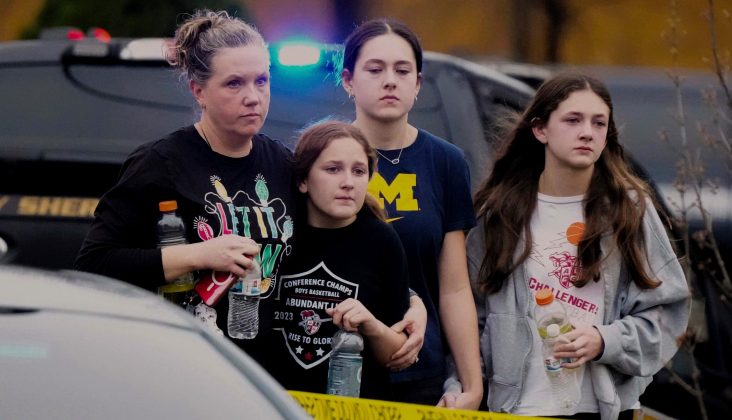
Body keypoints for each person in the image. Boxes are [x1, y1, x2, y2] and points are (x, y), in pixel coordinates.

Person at [74, 10, 296, 363]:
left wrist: (406, 297)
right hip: (180, 363)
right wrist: (198, 255)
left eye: (262, 81)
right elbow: (95, 265)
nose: (253, 97)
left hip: (261, 374)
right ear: (199, 91)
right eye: (234, 83)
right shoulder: (159, 163)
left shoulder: (283, 164)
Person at [465, 73, 690, 419]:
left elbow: (667, 313)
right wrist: (465, 385)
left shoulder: (629, 210)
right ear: (540, 129)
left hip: (603, 408)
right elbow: (468, 317)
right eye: (572, 120)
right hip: (519, 408)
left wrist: (605, 340)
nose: (587, 132)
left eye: (599, 123)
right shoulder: (498, 214)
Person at [339, 18, 482, 408]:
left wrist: (471, 385)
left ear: (418, 84)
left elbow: (453, 286)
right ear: (348, 80)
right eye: (375, 69)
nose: (390, 81)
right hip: (333, 360)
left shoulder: (446, 162)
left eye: (403, 71)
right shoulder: (323, 156)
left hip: (419, 369)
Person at [266, 121, 410, 400]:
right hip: (276, 404)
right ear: (303, 180)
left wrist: (371, 325)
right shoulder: (277, 233)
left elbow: (397, 355)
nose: (348, 182)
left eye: (359, 171)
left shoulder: (382, 241)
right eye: (333, 169)